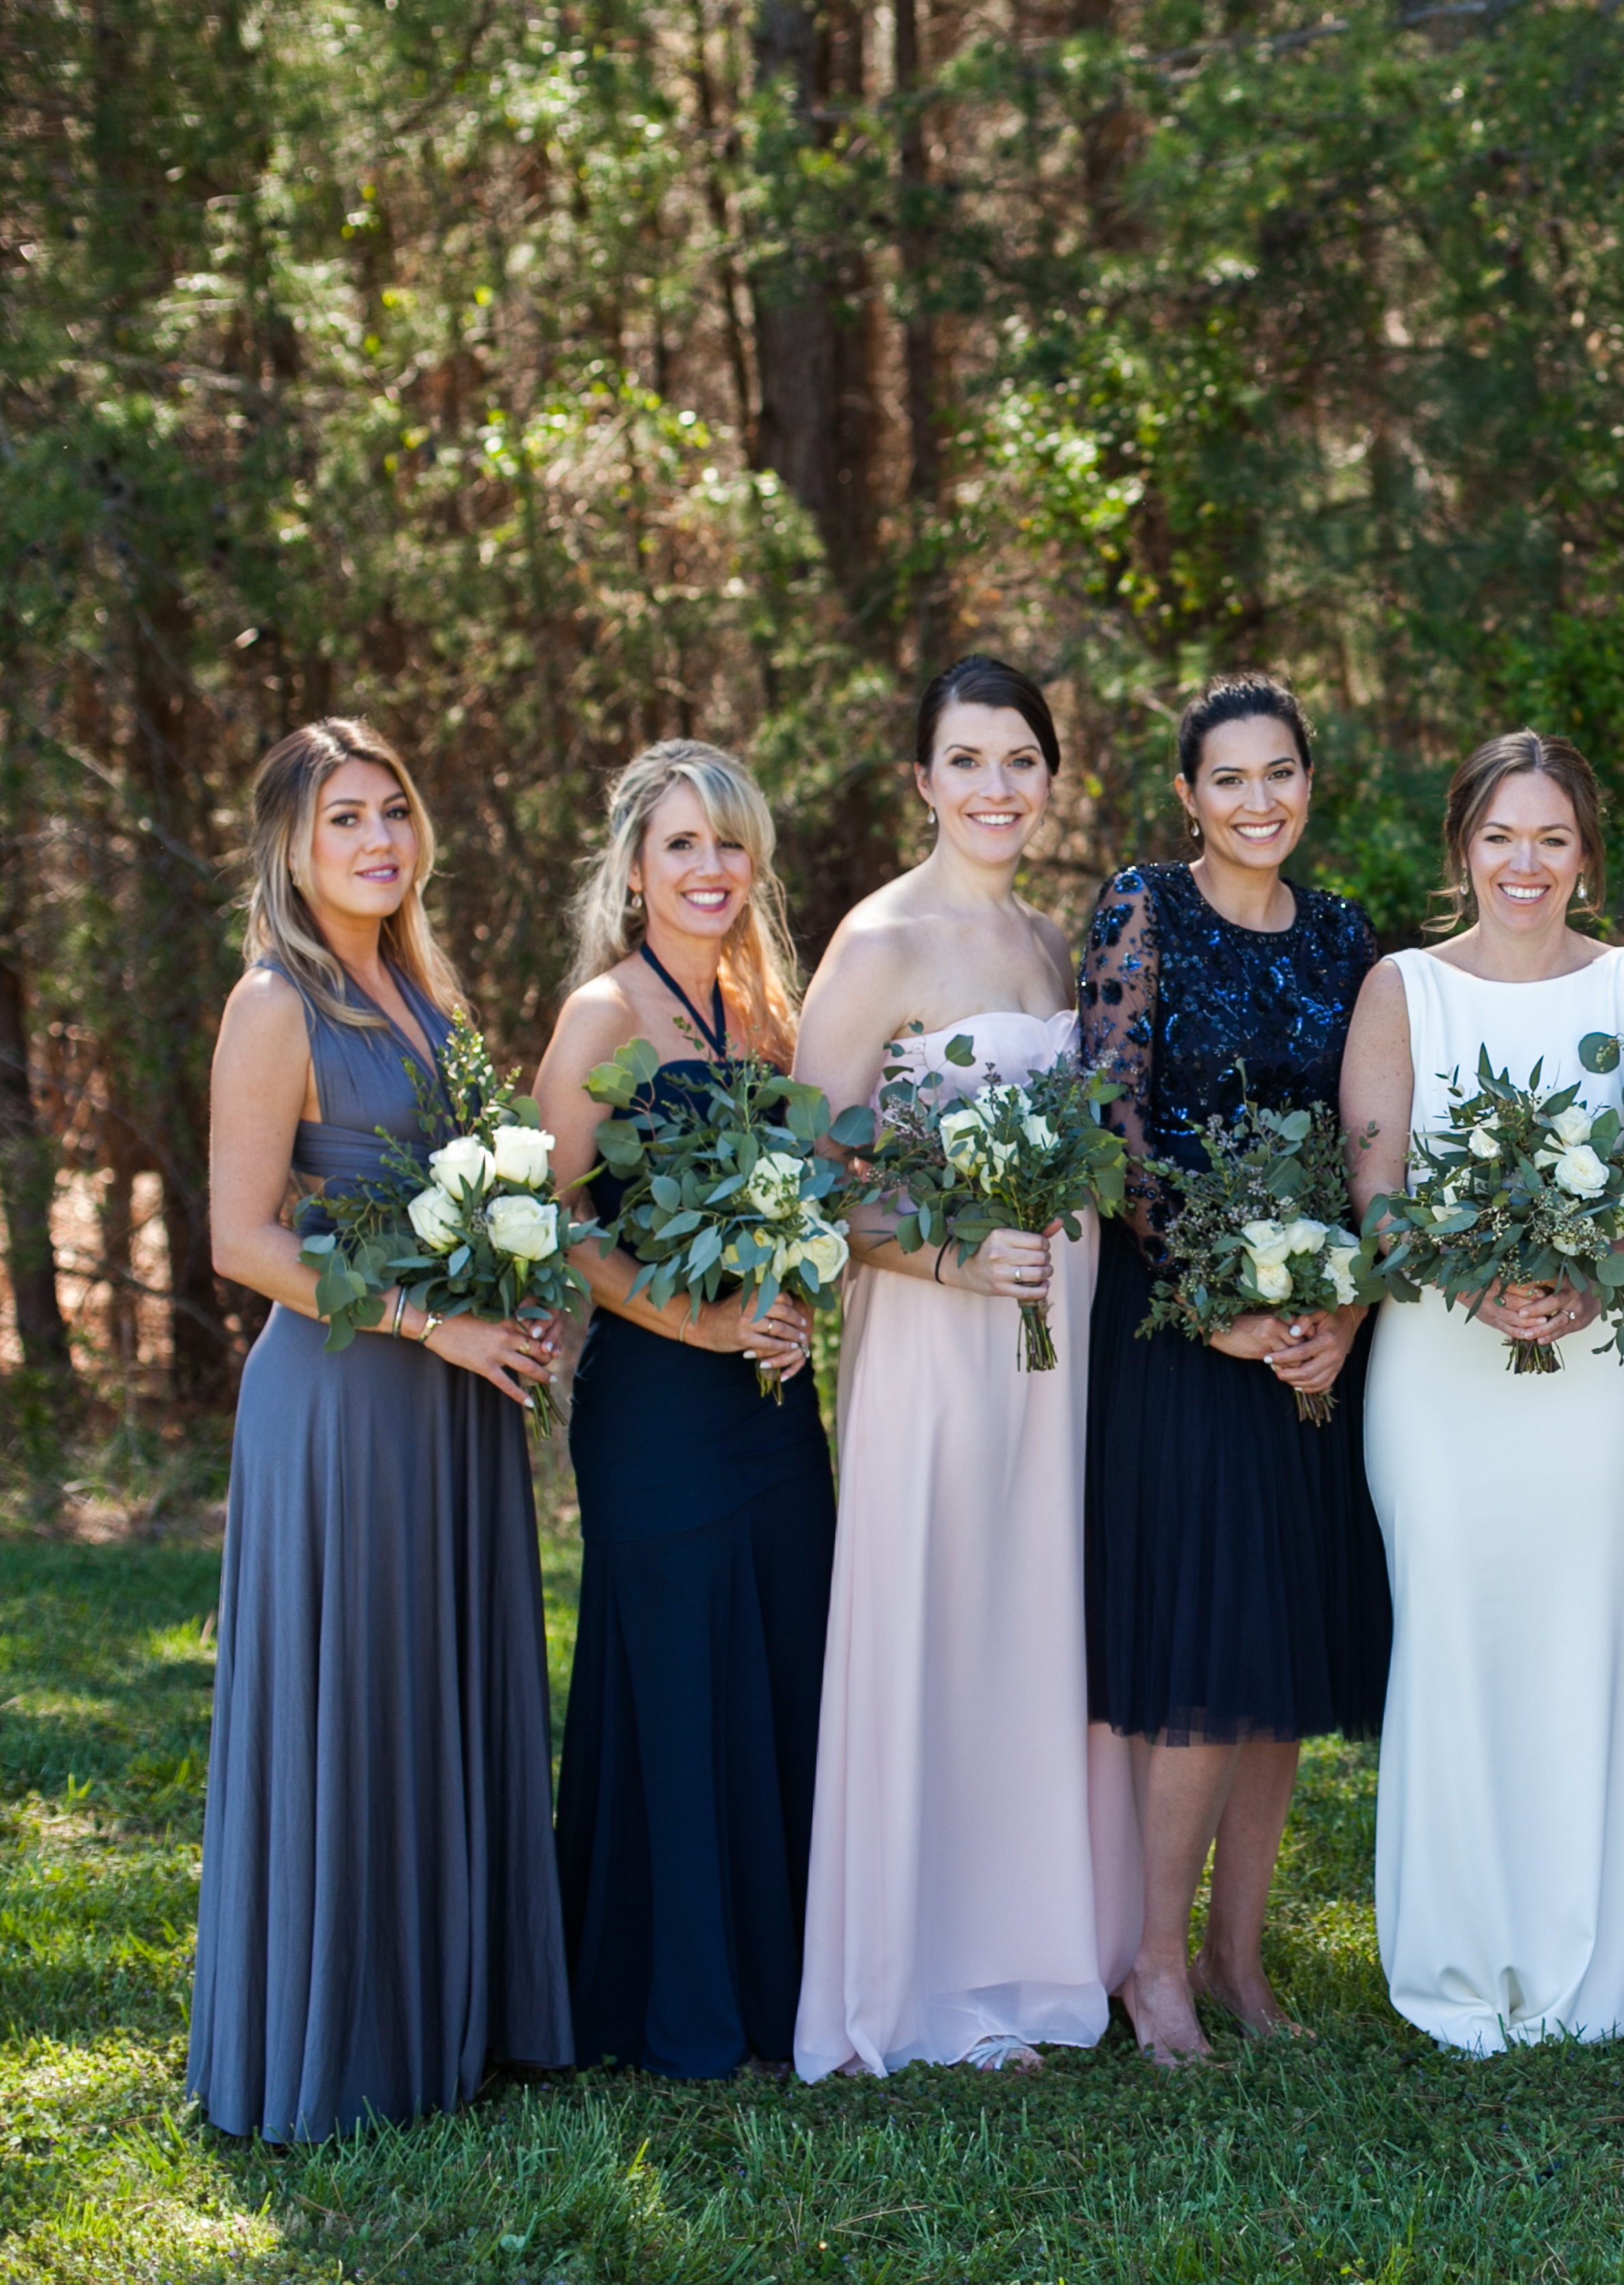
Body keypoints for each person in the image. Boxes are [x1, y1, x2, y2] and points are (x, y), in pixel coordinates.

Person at [191, 718, 571, 2139]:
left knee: (440, 1680)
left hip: (454, 1397)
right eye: (345, 817)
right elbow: (241, 1239)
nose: (378, 840)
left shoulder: (421, 990)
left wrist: (513, 1300)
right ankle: (341, 2039)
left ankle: (453, 2017)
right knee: (359, 1699)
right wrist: (437, 1323)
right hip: (346, 1396)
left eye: (395, 810)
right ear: (291, 842)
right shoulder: (272, 1000)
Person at [790, 657, 1142, 2079]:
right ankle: (910, 1977)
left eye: (1020, 759)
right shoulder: (879, 939)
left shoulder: (1057, 944)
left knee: (1026, 1628)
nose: (996, 786)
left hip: (1053, 1347)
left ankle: (1027, 1960)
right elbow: (807, 1178)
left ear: (1051, 777)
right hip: (935, 1340)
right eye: (968, 759)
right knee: (934, 1617)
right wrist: (948, 1260)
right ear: (923, 779)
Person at [1340, 730, 1624, 2055]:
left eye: (1550, 838)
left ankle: (1589, 1960)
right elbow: (1378, 1196)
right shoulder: (1403, 989)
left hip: (1599, 1371)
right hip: (1437, 1368)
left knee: (1584, 1633)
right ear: (1463, 850)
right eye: (1499, 837)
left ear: (1586, 853)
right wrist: (1471, 1280)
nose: (1524, 864)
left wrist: (1600, 1277)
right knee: (1453, 1630)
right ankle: (1454, 1957)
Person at [1078, 674, 1390, 2062]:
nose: (1260, 800)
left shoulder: (1343, 940)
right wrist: (1215, 1306)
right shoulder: (1145, 908)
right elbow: (1111, 1128)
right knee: (1206, 1660)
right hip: (1179, 1333)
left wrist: (1345, 1307)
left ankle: (1237, 1955)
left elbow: (1369, 1142)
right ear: (1189, 795)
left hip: (1310, 1338)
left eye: (1283, 774)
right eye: (1232, 778)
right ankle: (1149, 1959)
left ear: (1308, 783)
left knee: (1281, 1663)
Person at [530, 740, 836, 2080]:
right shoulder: (604, 1016)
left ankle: (780, 1992)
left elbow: (818, 1190)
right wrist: (697, 1316)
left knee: (781, 1657)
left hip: (774, 1397)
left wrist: (797, 1292)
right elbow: (549, 1220)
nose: (710, 869)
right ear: (634, 868)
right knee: (673, 1672)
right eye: (681, 846)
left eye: (729, 844)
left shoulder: (770, 1013)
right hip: (656, 1399)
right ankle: (665, 2001)